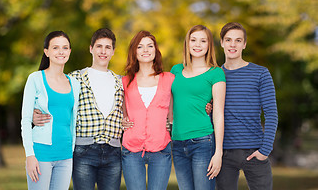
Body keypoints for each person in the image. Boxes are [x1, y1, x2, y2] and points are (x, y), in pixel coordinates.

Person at [33, 28, 124, 190]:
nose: (103, 51)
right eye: (99, 46)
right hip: (84, 152)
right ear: (91, 49)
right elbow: (55, 103)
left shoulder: (121, 82)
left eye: (108, 47)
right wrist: (35, 114)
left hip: (113, 152)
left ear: (113, 51)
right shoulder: (75, 79)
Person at [215, 22, 278, 190]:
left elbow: (271, 114)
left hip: (254, 150)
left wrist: (265, 150)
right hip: (224, 153)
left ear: (244, 44)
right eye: (228, 40)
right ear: (222, 42)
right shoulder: (214, 75)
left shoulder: (261, 73)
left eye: (238, 40)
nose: (232, 44)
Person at [21, 31, 81, 190]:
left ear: (69, 51)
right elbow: (26, 120)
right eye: (55, 48)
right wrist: (30, 155)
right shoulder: (35, 79)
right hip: (41, 154)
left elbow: (73, 119)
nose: (61, 52)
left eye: (65, 47)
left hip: (66, 155)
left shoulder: (74, 84)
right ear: (46, 52)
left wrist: (72, 151)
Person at [171, 25, 226, 190]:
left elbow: (218, 114)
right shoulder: (175, 70)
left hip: (202, 141)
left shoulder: (215, 73)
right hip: (178, 143)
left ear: (209, 45)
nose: (197, 44)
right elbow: (168, 104)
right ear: (187, 43)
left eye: (203, 41)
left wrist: (218, 153)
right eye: (193, 40)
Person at [121, 31, 174, 190]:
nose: (145, 50)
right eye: (140, 46)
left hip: (161, 147)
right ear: (134, 52)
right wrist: (123, 120)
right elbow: (121, 110)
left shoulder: (169, 79)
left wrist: (208, 104)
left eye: (150, 46)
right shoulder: (125, 81)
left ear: (155, 50)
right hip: (131, 149)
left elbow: (184, 102)